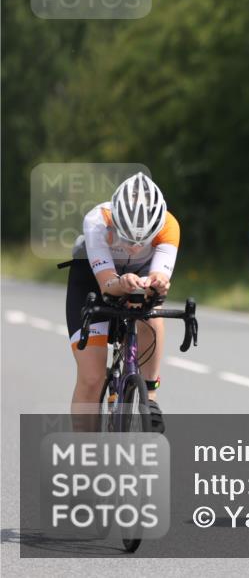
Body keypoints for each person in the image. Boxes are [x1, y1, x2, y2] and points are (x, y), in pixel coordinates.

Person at [64, 172, 179, 432]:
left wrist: (157, 283)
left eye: (143, 240)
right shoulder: (97, 221)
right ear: (115, 222)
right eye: (127, 238)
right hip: (92, 280)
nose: (135, 248)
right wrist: (120, 282)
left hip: (138, 276)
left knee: (152, 310)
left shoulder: (169, 226)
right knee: (92, 378)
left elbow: (160, 274)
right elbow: (107, 283)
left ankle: (149, 396)